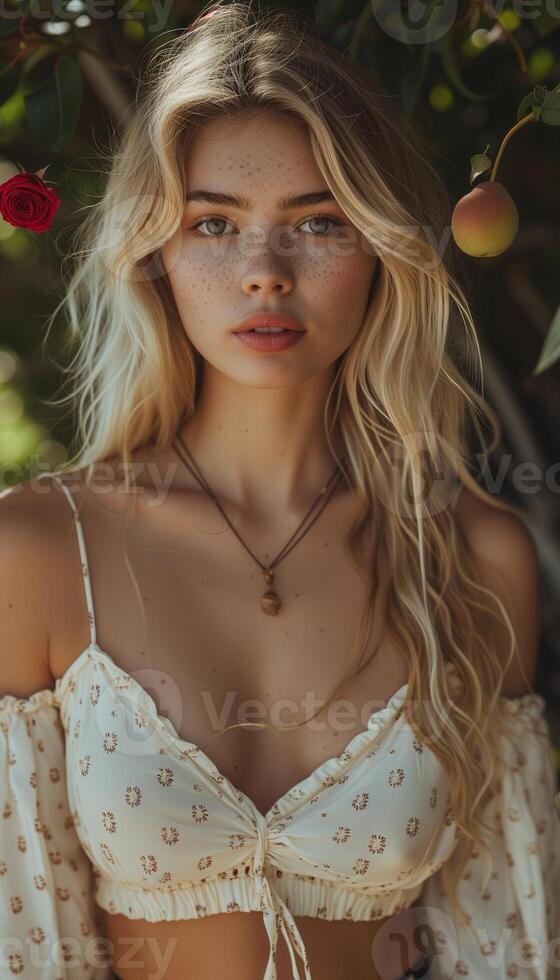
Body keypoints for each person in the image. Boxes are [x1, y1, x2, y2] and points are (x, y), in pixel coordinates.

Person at [1, 1, 558, 978]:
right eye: (214, 222)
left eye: (317, 222)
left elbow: (503, 938)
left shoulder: (473, 554)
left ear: (381, 248)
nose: (263, 273)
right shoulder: (43, 553)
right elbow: (23, 935)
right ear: (157, 253)